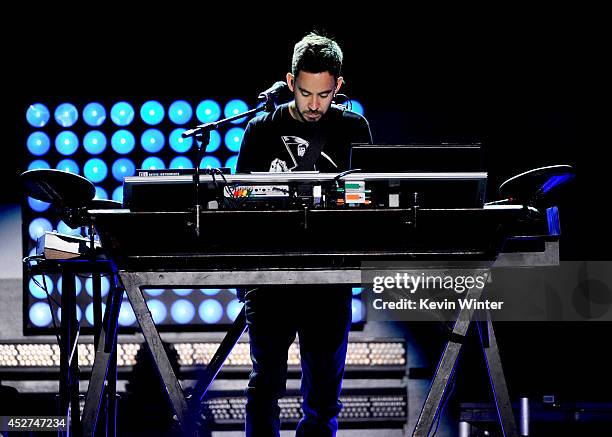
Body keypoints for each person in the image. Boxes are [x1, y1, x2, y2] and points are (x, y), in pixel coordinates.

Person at [236, 32, 372, 437]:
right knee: (264, 390)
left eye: (325, 94)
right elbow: (240, 201)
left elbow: (367, 200)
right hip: (271, 277)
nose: (315, 105)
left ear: (339, 86)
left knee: (324, 399)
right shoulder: (261, 129)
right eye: (307, 93)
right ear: (290, 81)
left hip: (329, 278)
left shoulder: (353, 127)